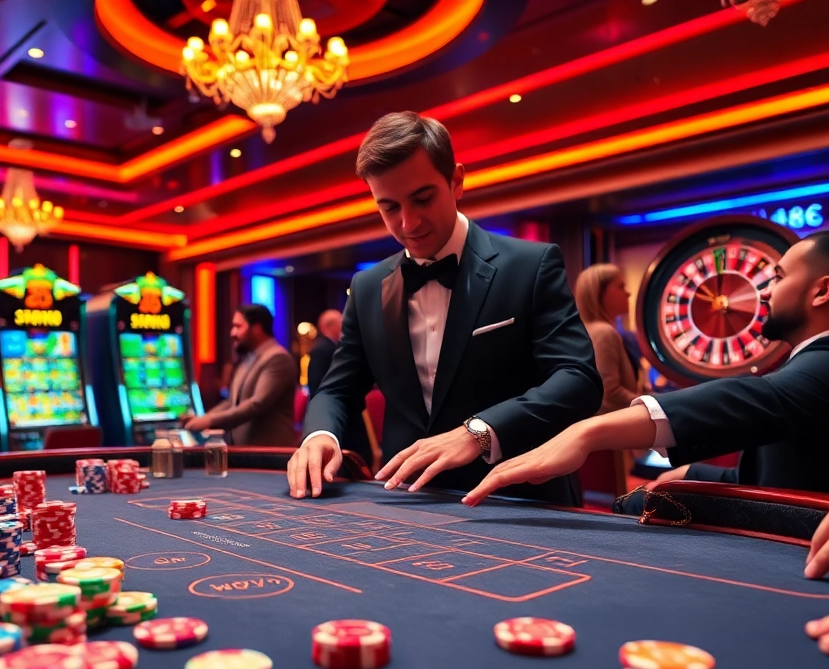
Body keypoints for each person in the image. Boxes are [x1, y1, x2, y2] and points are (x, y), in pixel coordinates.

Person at [463, 213, 829, 507]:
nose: (766, 289)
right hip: (794, 524)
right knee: (640, 501)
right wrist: (686, 472)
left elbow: (754, 399)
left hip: (822, 554)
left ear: (822, 291)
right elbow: (767, 473)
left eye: (778, 276)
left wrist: (589, 430)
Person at [290, 111, 602, 503]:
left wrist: (480, 431)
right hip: (407, 499)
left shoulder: (531, 265)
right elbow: (338, 389)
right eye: (389, 207)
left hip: (521, 498)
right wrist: (320, 435)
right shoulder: (367, 287)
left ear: (456, 181)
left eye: (423, 198)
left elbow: (578, 380)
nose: (408, 223)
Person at [183, 304, 298, 447]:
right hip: (247, 452)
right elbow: (232, 401)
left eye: (238, 327)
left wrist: (210, 421)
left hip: (269, 454)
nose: (232, 333)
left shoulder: (278, 359)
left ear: (257, 328)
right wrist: (203, 418)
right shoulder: (249, 358)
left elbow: (257, 404)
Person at [306, 308, 372, 464]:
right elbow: (320, 388)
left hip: (343, 416)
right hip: (336, 419)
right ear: (331, 327)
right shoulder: (323, 349)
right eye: (341, 324)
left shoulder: (329, 347)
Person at [575, 264, 641, 414]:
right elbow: (610, 394)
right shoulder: (604, 333)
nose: (628, 293)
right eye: (621, 286)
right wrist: (653, 403)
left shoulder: (588, 330)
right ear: (599, 293)